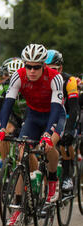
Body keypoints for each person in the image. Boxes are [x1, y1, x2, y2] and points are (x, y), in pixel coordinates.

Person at [0, 43, 65, 226]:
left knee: (48, 146)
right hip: (33, 116)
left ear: (44, 66)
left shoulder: (55, 78)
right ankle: (19, 206)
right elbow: (7, 103)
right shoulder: (19, 76)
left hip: (54, 115)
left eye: (36, 67)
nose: (32, 70)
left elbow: (56, 110)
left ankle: (52, 181)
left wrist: (48, 134)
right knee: (21, 153)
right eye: (28, 66)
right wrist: (1, 128)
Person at [45, 49, 80, 191]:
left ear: (60, 68)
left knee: (66, 142)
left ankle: (67, 176)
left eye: (54, 69)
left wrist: (70, 130)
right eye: (47, 69)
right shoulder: (42, 80)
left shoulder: (69, 81)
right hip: (50, 116)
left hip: (66, 116)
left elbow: (74, 109)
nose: (51, 73)